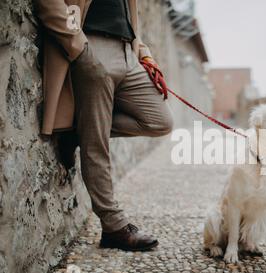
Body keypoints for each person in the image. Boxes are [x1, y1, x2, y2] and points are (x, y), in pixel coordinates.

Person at [34, 0, 173, 251]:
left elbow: (129, 18)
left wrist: (144, 54)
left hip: (127, 53)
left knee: (160, 121)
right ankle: (113, 226)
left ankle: (78, 133)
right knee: (96, 142)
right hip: (91, 44)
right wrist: (78, 44)